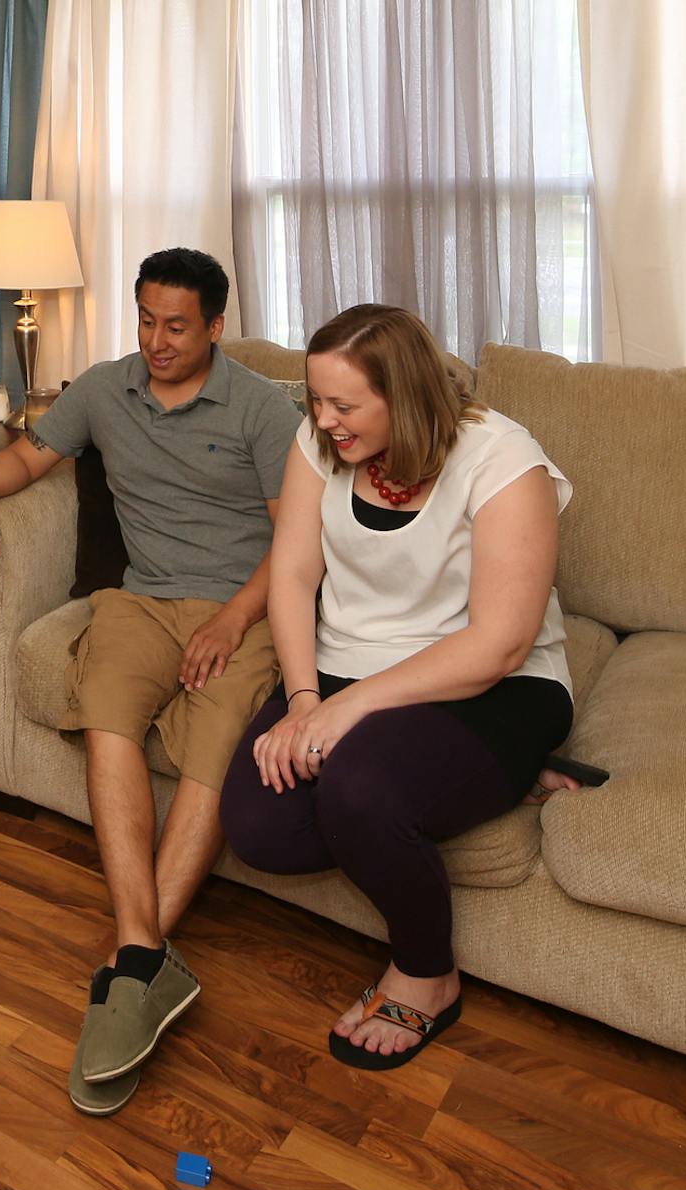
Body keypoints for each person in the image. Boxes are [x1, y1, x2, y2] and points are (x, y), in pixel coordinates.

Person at [0, 248, 303, 1116]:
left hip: (242, 610)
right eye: (145, 320)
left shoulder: (263, 407)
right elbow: (30, 458)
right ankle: (142, 952)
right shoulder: (106, 389)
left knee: (219, 744)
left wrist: (232, 620)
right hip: (139, 603)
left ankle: (132, 965)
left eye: (176, 326)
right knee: (107, 717)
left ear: (216, 326)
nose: (156, 340)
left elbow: (297, 544)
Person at [219, 303, 577, 1070]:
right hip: (348, 668)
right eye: (316, 399)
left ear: (404, 395)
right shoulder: (319, 443)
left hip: (489, 682)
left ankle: (426, 971)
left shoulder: (501, 458)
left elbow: (500, 641)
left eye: (344, 405)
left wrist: (346, 711)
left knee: (357, 788)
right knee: (258, 825)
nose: (324, 419)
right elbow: (292, 574)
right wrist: (308, 697)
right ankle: (480, 784)